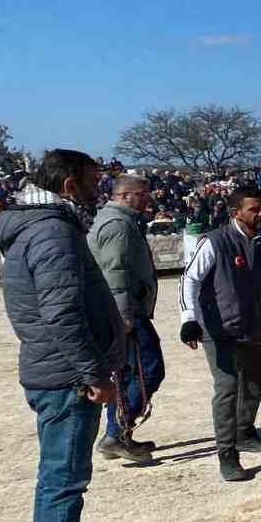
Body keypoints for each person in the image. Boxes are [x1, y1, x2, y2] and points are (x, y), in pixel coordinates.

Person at [0, 149, 131, 522]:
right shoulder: (52, 232)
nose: (99, 188)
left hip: (56, 370)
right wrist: (91, 372)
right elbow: (61, 313)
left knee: (61, 475)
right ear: (69, 185)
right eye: (93, 180)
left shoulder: (43, 227)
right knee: (63, 478)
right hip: (66, 376)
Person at [179, 185, 261, 482]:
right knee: (227, 387)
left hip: (255, 326)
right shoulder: (215, 242)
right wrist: (189, 319)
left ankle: (244, 432)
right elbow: (190, 279)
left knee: (253, 384)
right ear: (235, 212)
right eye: (254, 209)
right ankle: (227, 454)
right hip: (220, 329)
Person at [88, 173, 165, 461]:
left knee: (129, 374)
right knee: (149, 369)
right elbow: (115, 273)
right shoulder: (119, 225)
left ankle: (118, 433)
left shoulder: (121, 220)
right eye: (141, 194)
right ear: (123, 196)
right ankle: (115, 434)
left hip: (125, 309)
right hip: (125, 311)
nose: (147, 199)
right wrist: (124, 316)